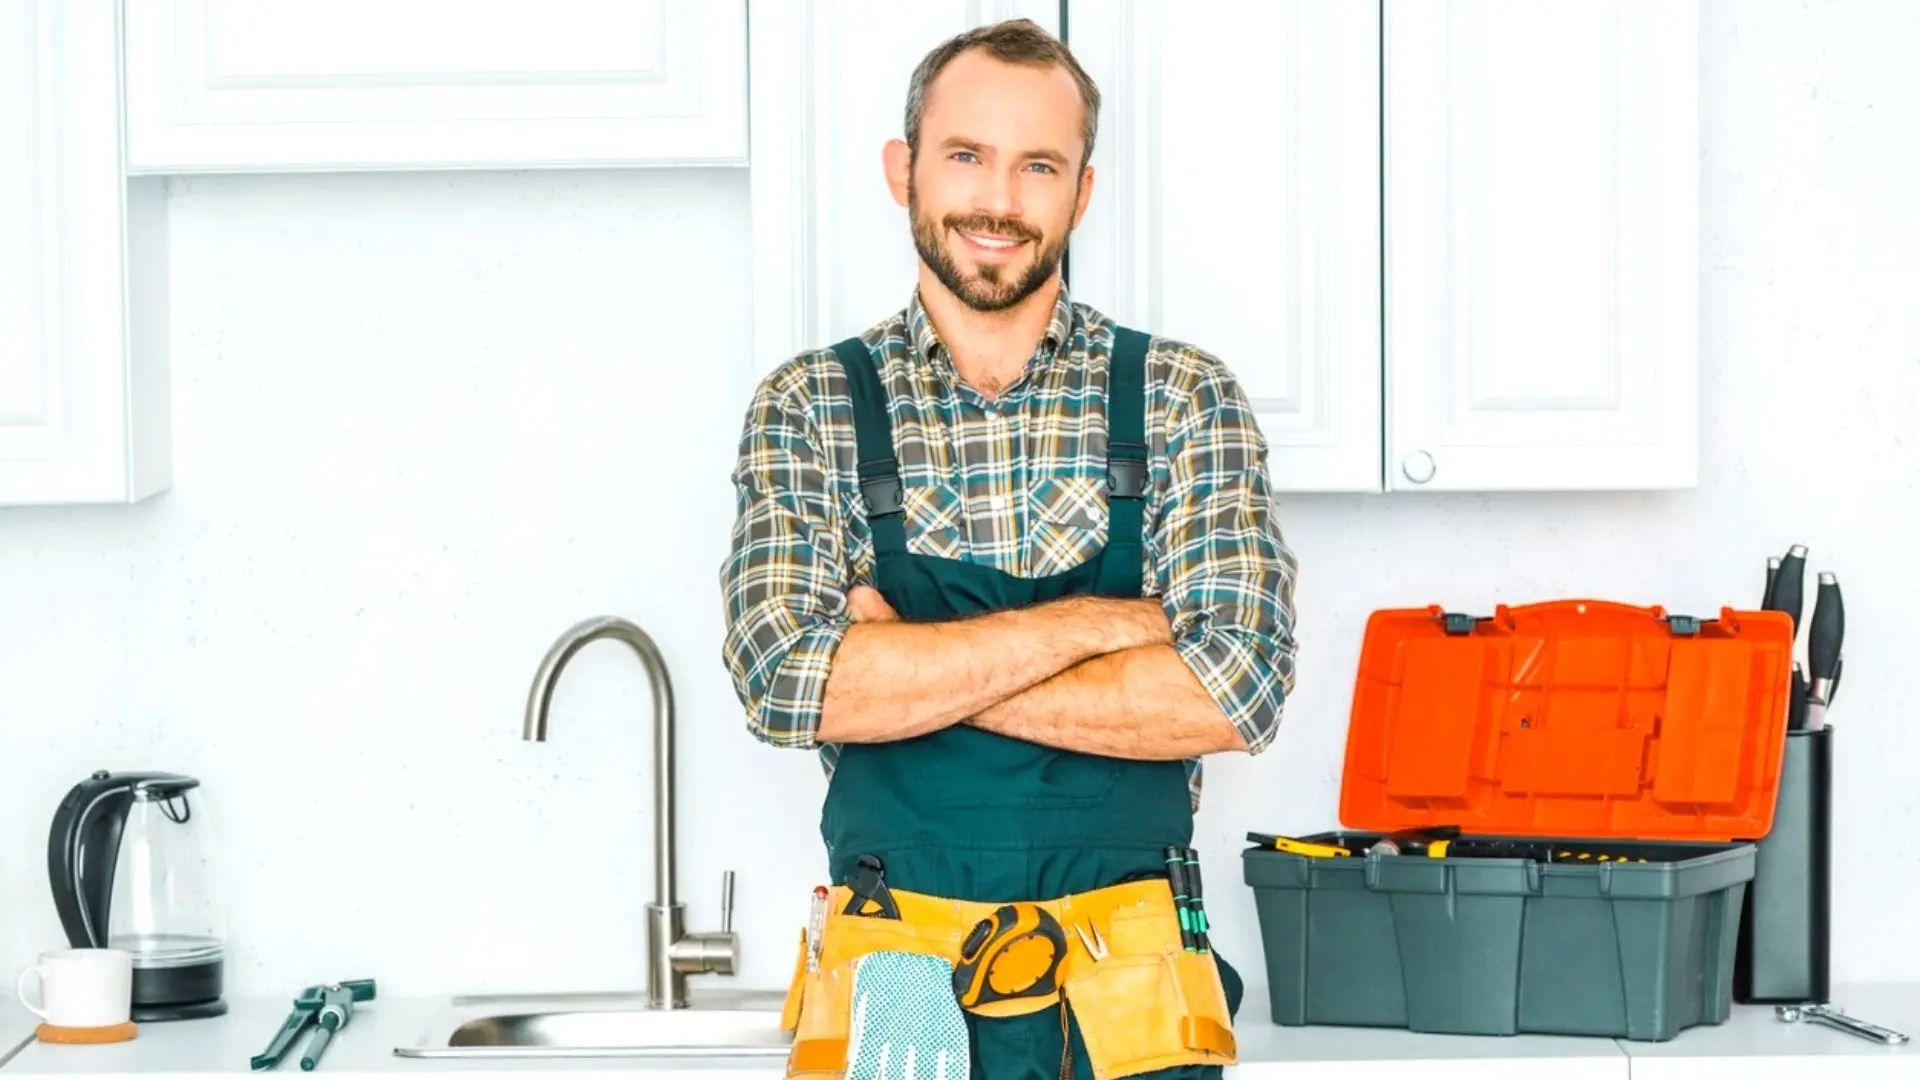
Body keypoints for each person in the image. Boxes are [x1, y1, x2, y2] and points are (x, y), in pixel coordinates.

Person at [720, 18, 1298, 1080]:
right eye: (966, 155)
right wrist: (1100, 629)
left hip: (1133, 995)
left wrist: (912, 665)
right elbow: (788, 682)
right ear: (904, 172)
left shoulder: (1182, 398)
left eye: (1039, 164)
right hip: (897, 988)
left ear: (1081, 194)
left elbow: (1235, 691)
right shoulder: (812, 409)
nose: (999, 199)